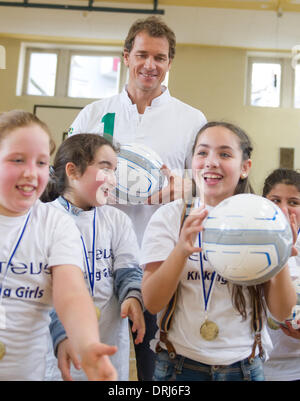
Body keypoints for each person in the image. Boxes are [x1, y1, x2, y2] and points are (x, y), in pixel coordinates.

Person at [68, 16, 207, 381]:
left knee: (155, 366)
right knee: (94, 363)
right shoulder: (93, 115)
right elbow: (63, 178)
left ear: (169, 63)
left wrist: (186, 185)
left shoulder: (192, 120)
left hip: (157, 261)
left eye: (160, 58)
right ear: (126, 56)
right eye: (142, 54)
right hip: (96, 258)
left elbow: (208, 183)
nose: (150, 65)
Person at [141, 121, 297, 381]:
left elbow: (282, 313)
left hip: (245, 368)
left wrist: (280, 258)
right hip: (177, 367)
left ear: (245, 167)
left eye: (224, 154)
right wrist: (181, 251)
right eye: (203, 152)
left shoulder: (265, 219)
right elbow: (153, 302)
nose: (211, 161)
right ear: (192, 162)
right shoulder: (170, 217)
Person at [0, 110, 117, 381]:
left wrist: (86, 343)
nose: (31, 173)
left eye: (41, 162)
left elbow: (72, 294)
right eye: (18, 160)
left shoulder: (55, 224)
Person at [42, 133, 145, 381]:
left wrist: (133, 296)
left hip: (108, 346)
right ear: (73, 171)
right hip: (58, 348)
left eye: (115, 170)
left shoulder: (116, 220)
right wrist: (62, 334)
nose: (113, 179)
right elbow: (45, 289)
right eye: (105, 168)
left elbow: (128, 268)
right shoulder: (42, 218)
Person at [262, 168, 300, 381]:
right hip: (259, 367)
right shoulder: (247, 245)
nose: (284, 210)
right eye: (275, 200)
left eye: (294, 202)